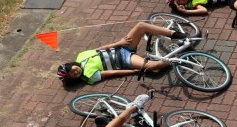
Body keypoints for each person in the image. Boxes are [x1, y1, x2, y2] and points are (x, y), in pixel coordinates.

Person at [57, 23, 189, 86]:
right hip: (125, 60)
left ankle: (173, 34)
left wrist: (119, 42)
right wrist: (133, 72)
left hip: (122, 47)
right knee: (152, 66)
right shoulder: (89, 77)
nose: (75, 72)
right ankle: (178, 59)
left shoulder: (81, 56)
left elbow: (101, 49)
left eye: (72, 70)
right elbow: (112, 74)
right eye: (73, 76)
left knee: (141, 26)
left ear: (71, 65)